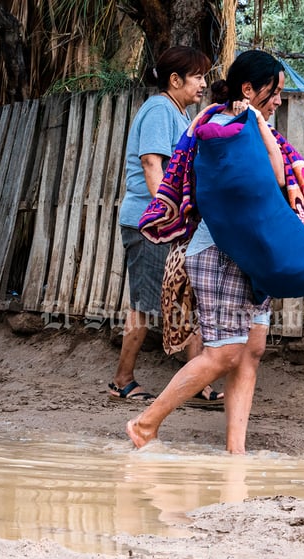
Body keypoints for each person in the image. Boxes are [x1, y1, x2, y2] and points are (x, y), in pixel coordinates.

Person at [126, 50, 292, 453]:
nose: (280, 101)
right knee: (225, 352)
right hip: (220, 252)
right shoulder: (221, 125)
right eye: (275, 91)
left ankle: (236, 453)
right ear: (249, 89)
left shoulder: (250, 123)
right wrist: (257, 123)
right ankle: (145, 425)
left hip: (251, 254)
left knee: (251, 351)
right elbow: (274, 176)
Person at [110, 46, 224, 406]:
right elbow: (150, 165)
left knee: (187, 298)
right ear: (175, 80)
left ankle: (197, 382)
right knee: (144, 304)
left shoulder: (178, 114)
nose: (204, 83)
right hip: (149, 224)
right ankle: (122, 381)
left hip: (167, 224)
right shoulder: (160, 109)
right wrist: (169, 216)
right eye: (198, 76)